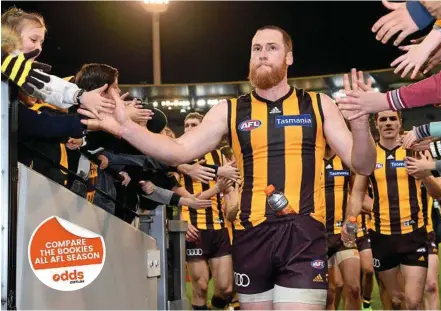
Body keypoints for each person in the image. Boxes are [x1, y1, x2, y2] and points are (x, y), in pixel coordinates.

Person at [81, 25, 377, 310]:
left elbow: (362, 162)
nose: (262, 54)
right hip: (251, 235)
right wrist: (125, 129)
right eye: (256, 49)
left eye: (272, 48)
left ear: (288, 57)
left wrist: (361, 126)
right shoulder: (230, 109)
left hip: (303, 235)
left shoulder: (318, 103)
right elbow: (177, 151)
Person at [346, 111, 441, 310]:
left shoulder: (415, 151)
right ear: (376, 124)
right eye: (383, 119)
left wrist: (426, 176)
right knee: (396, 300)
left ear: (400, 122)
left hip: (414, 234)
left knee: (414, 301)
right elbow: (357, 193)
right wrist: (351, 220)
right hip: (381, 236)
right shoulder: (369, 154)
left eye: (393, 118)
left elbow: (439, 194)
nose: (388, 123)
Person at [179, 112, 236, 310]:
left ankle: (217, 306)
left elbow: (229, 187)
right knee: (200, 286)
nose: (189, 128)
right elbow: (182, 199)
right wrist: (182, 223)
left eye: (194, 124)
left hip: (218, 227)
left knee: (226, 289)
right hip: (193, 229)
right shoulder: (178, 156)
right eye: (186, 125)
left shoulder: (218, 155)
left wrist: (232, 203)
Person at [320, 144, 361, 310]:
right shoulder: (311, 159)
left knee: (354, 288)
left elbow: (357, 193)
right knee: (328, 293)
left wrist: (351, 219)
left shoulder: (346, 160)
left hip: (344, 234)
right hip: (318, 236)